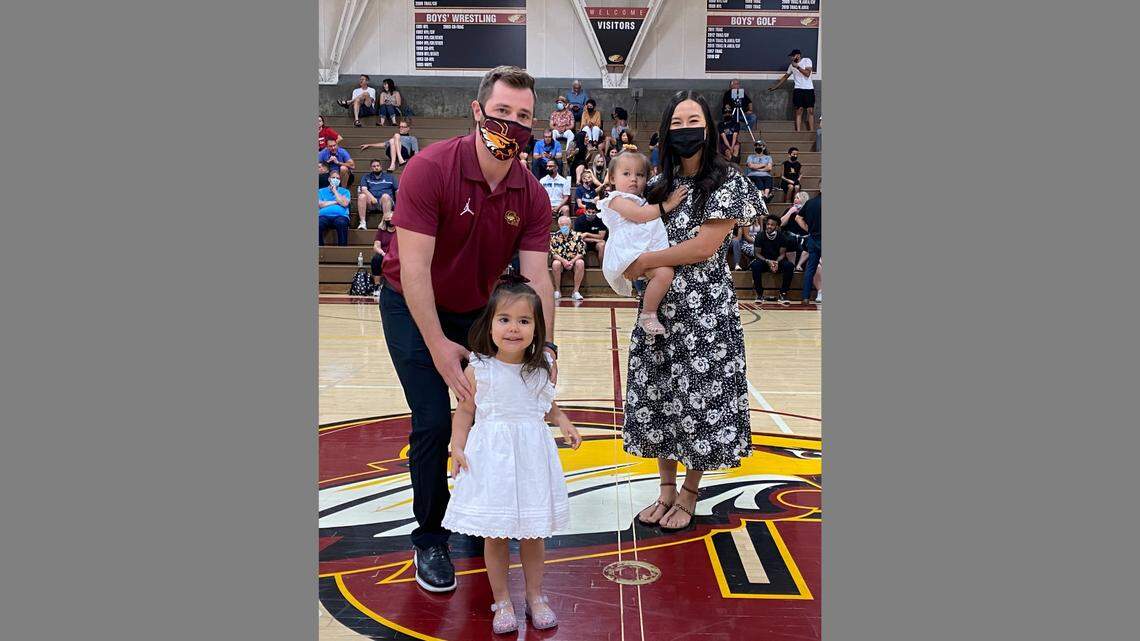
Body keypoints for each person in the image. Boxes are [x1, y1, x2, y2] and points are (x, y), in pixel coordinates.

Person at [378, 65, 559, 594]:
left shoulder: (531, 195)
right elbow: (413, 270)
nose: (512, 124)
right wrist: (436, 346)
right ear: (478, 112)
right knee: (435, 422)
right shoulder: (431, 168)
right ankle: (431, 536)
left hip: (478, 311)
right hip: (413, 307)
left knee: (489, 420)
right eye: (502, 112)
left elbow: (537, 275)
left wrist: (544, 346)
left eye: (523, 116)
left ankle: (482, 519)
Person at [622, 91, 767, 531]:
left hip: (705, 315)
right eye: (678, 121)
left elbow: (705, 247)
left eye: (694, 120)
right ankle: (665, 490)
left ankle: (689, 493)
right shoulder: (658, 186)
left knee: (701, 402)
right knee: (659, 399)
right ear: (667, 131)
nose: (686, 128)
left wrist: (644, 263)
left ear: (708, 128)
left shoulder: (728, 181)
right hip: (658, 311)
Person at [441, 276, 582, 634]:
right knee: (496, 535)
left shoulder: (539, 371)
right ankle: (501, 599)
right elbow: (465, 411)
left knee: (534, 535)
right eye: (504, 319)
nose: (514, 328)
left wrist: (564, 421)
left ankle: (536, 596)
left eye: (524, 321)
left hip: (532, 460)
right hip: (492, 462)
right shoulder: (480, 369)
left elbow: (548, 406)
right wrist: (456, 446)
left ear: (537, 328)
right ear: (490, 325)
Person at [597, 151, 688, 335]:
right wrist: (668, 205)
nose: (634, 179)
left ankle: (649, 313)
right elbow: (639, 216)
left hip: (642, 250)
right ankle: (648, 312)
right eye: (626, 174)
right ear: (612, 177)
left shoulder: (642, 200)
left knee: (664, 273)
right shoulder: (615, 199)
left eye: (640, 175)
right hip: (626, 252)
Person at [767, 49, 816, 132]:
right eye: (791, 57)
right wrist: (775, 87)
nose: (792, 58)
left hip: (809, 89)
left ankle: (811, 131)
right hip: (798, 89)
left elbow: (807, 74)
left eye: (793, 56)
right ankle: (798, 131)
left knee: (810, 111)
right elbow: (785, 77)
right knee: (799, 110)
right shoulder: (791, 66)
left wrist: (797, 66)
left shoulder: (807, 60)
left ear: (798, 55)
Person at [751, 214, 795, 303]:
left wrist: (775, 262)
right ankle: (759, 294)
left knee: (789, 266)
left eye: (772, 225)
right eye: (768, 224)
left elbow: (782, 254)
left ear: (777, 226)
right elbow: (757, 253)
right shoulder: (760, 236)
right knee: (755, 265)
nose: (769, 226)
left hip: (777, 261)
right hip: (764, 261)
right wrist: (768, 261)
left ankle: (783, 294)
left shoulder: (782, 237)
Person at [549, 215, 586, 301]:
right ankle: (557, 291)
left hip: (574, 261)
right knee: (555, 263)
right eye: (562, 225)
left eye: (567, 224)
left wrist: (572, 261)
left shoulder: (577, 236)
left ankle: (575, 292)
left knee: (580, 262)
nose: (564, 226)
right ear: (559, 225)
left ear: (570, 225)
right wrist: (564, 261)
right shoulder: (554, 236)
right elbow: (553, 253)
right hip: (561, 261)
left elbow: (581, 253)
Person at [794, 192, 821, 304]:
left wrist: (808, 229)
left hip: (813, 239)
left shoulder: (810, 203)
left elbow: (797, 218)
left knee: (810, 269)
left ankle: (805, 297)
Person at [357, 160, 397, 230]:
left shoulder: (390, 177)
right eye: (374, 166)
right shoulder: (366, 177)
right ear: (371, 168)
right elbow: (363, 189)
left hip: (386, 202)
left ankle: (384, 221)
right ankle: (362, 223)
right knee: (361, 196)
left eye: (378, 166)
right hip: (372, 202)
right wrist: (372, 198)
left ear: (381, 167)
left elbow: (397, 191)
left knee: (385, 196)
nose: (376, 167)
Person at [780, 191, 812, 271]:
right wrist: (790, 212)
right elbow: (781, 224)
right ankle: (792, 265)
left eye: (797, 198)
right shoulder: (789, 210)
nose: (794, 200)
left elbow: (810, 228)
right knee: (791, 240)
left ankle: (799, 265)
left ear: (803, 200)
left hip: (804, 237)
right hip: (790, 235)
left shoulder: (808, 212)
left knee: (810, 242)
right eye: (795, 198)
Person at [318, 173, 351, 246]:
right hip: (323, 216)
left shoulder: (345, 191)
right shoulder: (320, 191)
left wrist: (335, 191)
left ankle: (342, 250)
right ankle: (320, 250)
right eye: (333, 177)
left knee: (342, 223)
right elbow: (320, 204)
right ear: (329, 179)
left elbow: (345, 204)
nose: (335, 179)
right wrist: (337, 202)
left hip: (341, 216)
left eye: (338, 178)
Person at [572, 199, 607, 263]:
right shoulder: (579, 220)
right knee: (581, 244)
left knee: (602, 245)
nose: (591, 214)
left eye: (593, 212)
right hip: (585, 242)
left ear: (596, 213)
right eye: (589, 212)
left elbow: (601, 237)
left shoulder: (601, 220)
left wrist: (587, 234)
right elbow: (578, 237)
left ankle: (601, 268)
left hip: (596, 244)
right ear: (585, 211)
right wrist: (594, 239)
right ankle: (581, 265)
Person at [371, 210, 396, 295]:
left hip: (395, 254)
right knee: (376, 259)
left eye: (391, 218)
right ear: (384, 220)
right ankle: (377, 286)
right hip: (384, 253)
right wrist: (383, 253)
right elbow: (376, 246)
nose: (390, 220)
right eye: (388, 219)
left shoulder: (399, 231)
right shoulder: (381, 231)